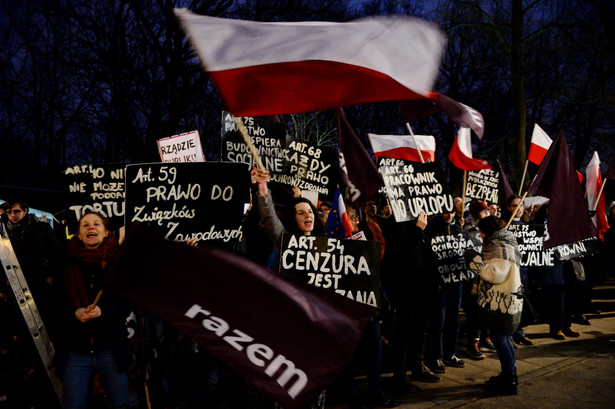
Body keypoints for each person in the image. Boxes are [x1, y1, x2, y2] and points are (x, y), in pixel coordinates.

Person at [56, 212, 132, 409]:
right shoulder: (65, 263)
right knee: (73, 404)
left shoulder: (118, 263)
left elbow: (126, 304)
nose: (91, 227)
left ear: (106, 232)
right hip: (76, 350)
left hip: (111, 349)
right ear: (79, 235)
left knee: (120, 403)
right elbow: (54, 304)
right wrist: (75, 313)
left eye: (97, 224)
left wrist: (102, 311)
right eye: (85, 225)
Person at [465, 216, 523, 395]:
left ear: (490, 231)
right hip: (506, 301)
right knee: (504, 338)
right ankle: (509, 374)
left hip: (501, 303)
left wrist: (473, 260)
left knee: (500, 339)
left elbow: (494, 275)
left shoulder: (500, 247)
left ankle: (509, 380)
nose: (480, 235)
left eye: (482, 231)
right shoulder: (504, 242)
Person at [424, 212, 467, 374]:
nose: (449, 215)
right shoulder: (432, 228)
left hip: (456, 281)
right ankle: (436, 356)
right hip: (439, 281)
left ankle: (450, 353)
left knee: (453, 319)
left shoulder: (457, 228)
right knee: (438, 320)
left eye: (452, 211)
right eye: (445, 212)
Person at [505, 195, 534, 347]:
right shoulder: (504, 225)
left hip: (524, 269)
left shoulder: (529, 224)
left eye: (521, 205)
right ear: (509, 207)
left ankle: (519, 333)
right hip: (510, 270)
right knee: (511, 303)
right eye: (515, 205)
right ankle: (509, 335)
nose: (519, 209)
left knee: (522, 302)